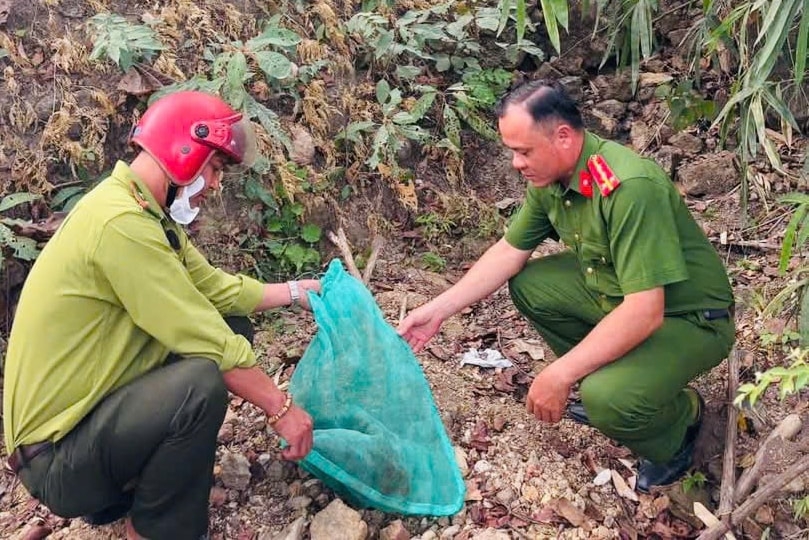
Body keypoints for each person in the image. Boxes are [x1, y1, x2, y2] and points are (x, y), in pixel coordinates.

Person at [3, 91, 320, 540]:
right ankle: (156, 529)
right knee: (200, 383)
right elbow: (201, 334)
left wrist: (296, 292)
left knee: (232, 329)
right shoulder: (121, 225)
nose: (215, 184)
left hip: (83, 431)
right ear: (183, 152)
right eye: (214, 168)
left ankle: (142, 485)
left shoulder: (142, 212)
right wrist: (280, 407)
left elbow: (215, 290)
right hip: (56, 460)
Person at [398, 79, 735, 492]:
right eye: (512, 151)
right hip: (619, 296)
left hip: (691, 319)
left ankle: (680, 427)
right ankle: (624, 381)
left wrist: (561, 373)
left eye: (524, 151)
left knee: (606, 399)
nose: (516, 163)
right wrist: (436, 311)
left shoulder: (630, 188)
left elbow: (645, 310)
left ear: (562, 136)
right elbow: (509, 253)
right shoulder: (551, 179)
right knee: (531, 284)